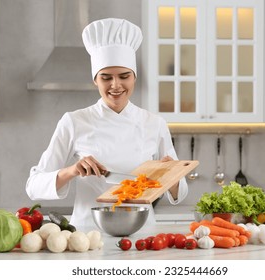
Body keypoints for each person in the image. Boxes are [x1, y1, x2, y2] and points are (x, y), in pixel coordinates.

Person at [26, 18, 188, 230]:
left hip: (141, 235)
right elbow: (34, 186)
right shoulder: (74, 121)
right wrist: (72, 171)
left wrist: (171, 176)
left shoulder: (154, 123)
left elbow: (179, 193)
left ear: (134, 77)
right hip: (86, 235)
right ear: (95, 79)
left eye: (124, 76)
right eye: (106, 77)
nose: (116, 85)